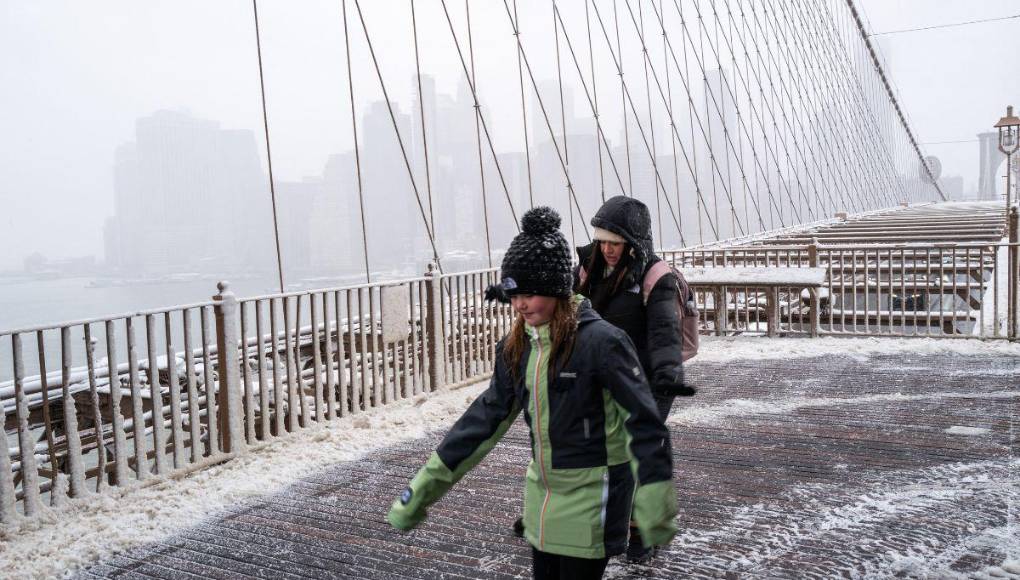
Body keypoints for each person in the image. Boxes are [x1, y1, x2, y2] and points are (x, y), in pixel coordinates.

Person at [387, 206, 677, 580]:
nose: (520, 304)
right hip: (542, 496)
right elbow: (484, 420)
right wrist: (420, 491)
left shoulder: (603, 344)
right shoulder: (519, 347)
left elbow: (645, 424)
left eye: (530, 293)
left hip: (594, 498)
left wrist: (654, 510)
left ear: (557, 290)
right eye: (514, 293)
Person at [575, 194, 694, 563]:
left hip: (651, 379)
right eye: (603, 241)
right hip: (607, 378)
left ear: (634, 243)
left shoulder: (656, 278)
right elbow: (565, 310)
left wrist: (667, 373)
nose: (609, 250)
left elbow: (663, 332)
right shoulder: (588, 269)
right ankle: (591, 525)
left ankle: (641, 533)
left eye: (617, 243)